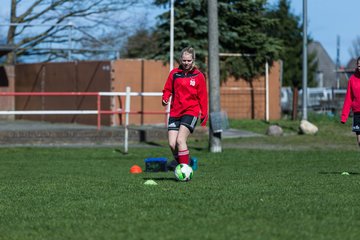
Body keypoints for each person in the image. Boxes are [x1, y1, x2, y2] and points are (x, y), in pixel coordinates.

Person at [162, 47, 208, 166]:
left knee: (180, 140)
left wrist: (204, 115)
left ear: (193, 60)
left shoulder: (199, 76)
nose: (186, 63)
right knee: (172, 144)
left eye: (189, 61)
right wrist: (165, 97)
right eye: (184, 60)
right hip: (175, 112)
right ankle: (185, 162)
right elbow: (167, 89)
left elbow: (203, 97)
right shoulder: (174, 73)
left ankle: (185, 170)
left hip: (190, 111)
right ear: (181, 60)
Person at [341, 56, 360, 147]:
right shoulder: (352, 80)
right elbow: (348, 99)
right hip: (357, 114)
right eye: (359, 66)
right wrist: (344, 116)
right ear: (357, 66)